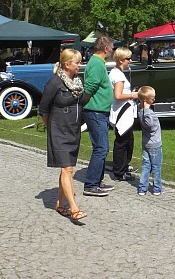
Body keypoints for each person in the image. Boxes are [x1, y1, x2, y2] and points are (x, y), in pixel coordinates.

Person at [39, 48, 87, 221]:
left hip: (73, 130)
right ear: (67, 64)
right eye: (77, 62)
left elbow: (81, 102)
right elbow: (43, 109)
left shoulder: (77, 82)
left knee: (67, 168)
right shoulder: (55, 82)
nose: (80, 65)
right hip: (59, 130)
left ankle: (59, 204)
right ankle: (74, 208)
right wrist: (51, 127)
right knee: (67, 169)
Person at [81, 36, 115, 197]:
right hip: (95, 111)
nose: (113, 51)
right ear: (106, 49)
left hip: (100, 111)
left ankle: (97, 181)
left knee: (102, 147)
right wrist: (84, 103)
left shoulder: (98, 63)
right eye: (112, 48)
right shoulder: (96, 63)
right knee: (101, 148)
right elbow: (90, 86)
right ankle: (91, 184)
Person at [109, 47, 137, 182]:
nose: (130, 61)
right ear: (120, 60)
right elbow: (118, 95)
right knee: (122, 142)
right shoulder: (118, 75)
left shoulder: (117, 73)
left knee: (128, 140)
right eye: (128, 59)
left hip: (124, 111)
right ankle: (119, 172)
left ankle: (124, 166)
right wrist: (133, 95)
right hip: (122, 113)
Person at [137, 86, 163, 196]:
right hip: (154, 144)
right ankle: (157, 188)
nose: (154, 100)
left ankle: (142, 188)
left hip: (146, 143)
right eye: (152, 99)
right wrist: (147, 110)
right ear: (145, 100)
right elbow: (149, 124)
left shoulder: (140, 110)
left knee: (146, 165)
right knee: (156, 166)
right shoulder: (147, 113)